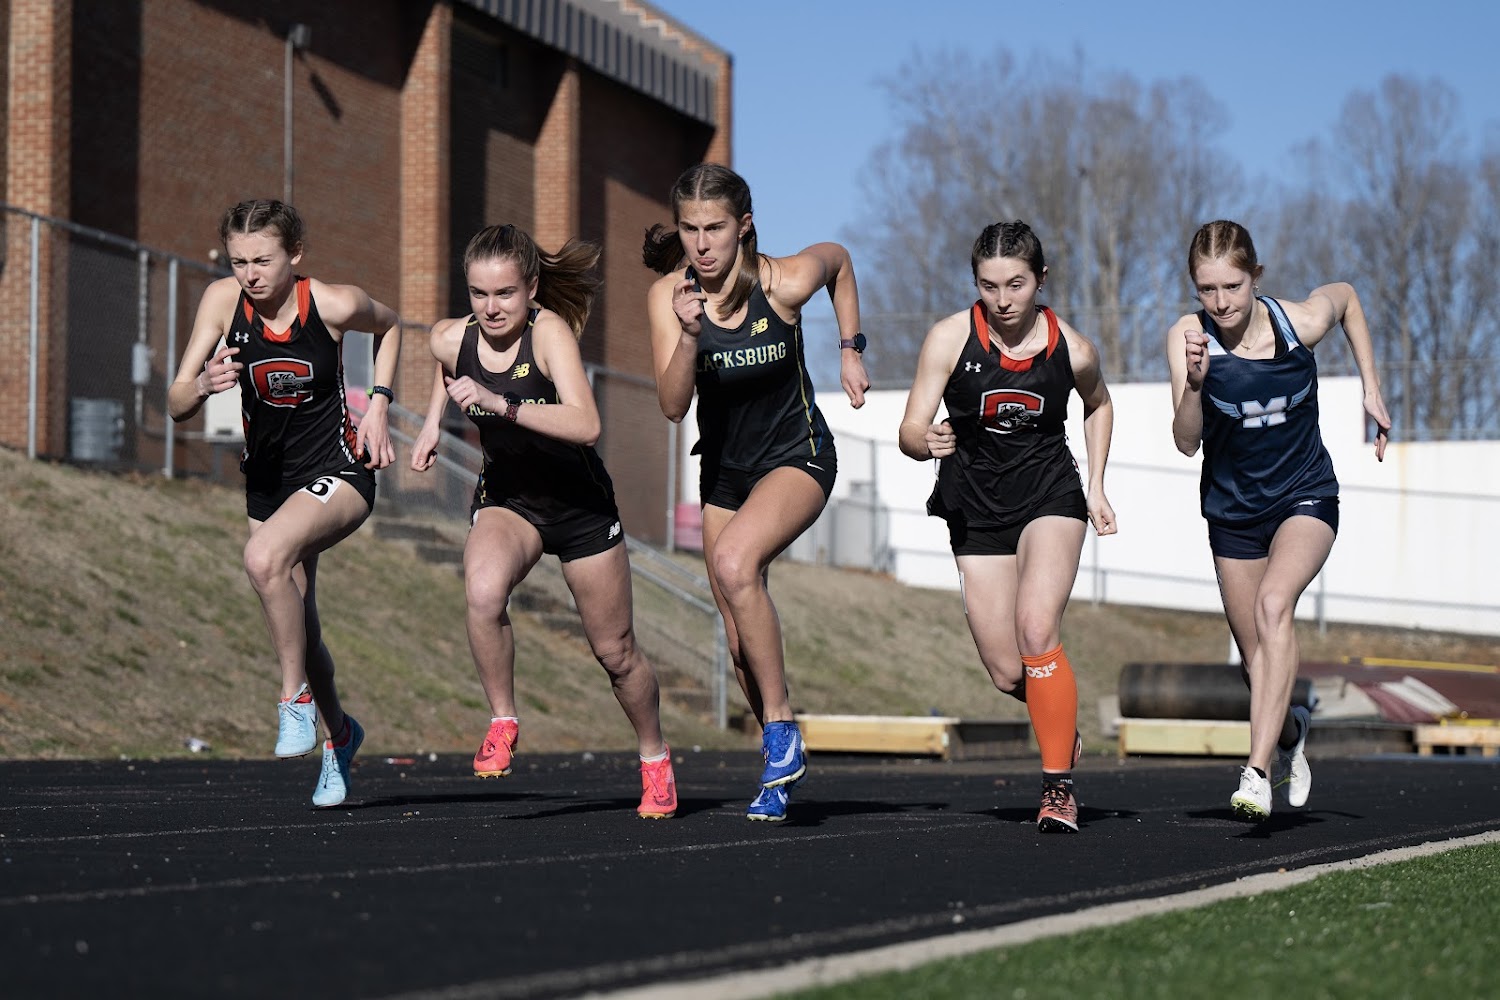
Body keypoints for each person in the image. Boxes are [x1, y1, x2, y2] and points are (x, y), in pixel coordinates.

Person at [411, 224, 677, 819]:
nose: (491, 308)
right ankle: (503, 720)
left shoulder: (548, 333)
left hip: (579, 506)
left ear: (531, 288)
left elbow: (586, 424)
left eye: (505, 293)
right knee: (483, 593)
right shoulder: (452, 336)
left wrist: (501, 404)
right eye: (479, 294)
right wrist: (431, 423)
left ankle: (654, 756)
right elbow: (445, 363)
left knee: (616, 653)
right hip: (511, 499)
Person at [644, 163, 869, 822]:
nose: (701, 244)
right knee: (739, 641)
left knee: (735, 563)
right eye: (690, 229)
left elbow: (840, 260)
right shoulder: (670, 298)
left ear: (743, 226)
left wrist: (850, 348)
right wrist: (689, 336)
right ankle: (781, 767)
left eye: (714, 228)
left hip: (798, 456)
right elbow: (671, 405)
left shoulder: (786, 281)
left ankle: (780, 727)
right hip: (725, 475)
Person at [169, 199, 401, 808]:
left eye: (263, 260)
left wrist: (379, 403)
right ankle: (340, 735)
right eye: (239, 261)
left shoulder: (332, 303)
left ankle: (292, 699)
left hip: (338, 471)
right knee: (304, 625)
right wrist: (202, 385)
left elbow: (392, 325)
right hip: (269, 484)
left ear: (294, 254)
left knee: (262, 557)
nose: (250, 274)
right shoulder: (222, 302)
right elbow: (175, 400)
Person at [1168, 220, 1390, 823]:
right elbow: (1186, 442)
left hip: (1305, 497)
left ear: (1255, 277)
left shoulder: (1300, 323)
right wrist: (1194, 385)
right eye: (1207, 289)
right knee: (1255, 664)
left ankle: (1257, 772)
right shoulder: (1189, 338)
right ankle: (1292, 733)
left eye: (1233, 287)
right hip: (1232, 513)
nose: (1221, 303)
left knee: (1274, 607)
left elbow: (1347, 297)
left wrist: (1371, 388)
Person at [899, 220, 1116, 834]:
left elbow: (1099, 403)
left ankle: (1057, 788)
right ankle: (1058, 722)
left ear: (1041, 279)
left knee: (1036, 627)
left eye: (1015, 284)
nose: (1002, 299)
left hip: (1050, 495)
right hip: (975, 506)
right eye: (988, 286)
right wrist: (924, 441)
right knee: (1006, 670)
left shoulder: (1074, 349)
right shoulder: (948, 339)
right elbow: (910, 429)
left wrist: (1097, 485)